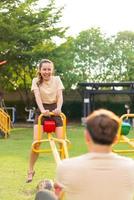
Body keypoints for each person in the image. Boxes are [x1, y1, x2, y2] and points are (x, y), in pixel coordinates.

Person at [55, 109, 134, 200]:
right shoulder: (131, 167)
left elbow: (58, 195)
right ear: (116, 139)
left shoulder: (66, 167)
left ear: (87, 136)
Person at [26, 59, 64, 183]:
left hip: (55, 110)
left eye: (49, 69)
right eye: (44, 69)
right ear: (40, 70)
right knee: (36, 143)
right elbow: (37, 97)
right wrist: (42, 110)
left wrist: (58, 108)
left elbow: (60, 96)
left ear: (52, 70)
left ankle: (62, 174)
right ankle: (30, 170)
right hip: (42, 111)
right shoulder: (36, 81)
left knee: (61, 143)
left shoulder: (57, 79)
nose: (47, 72)